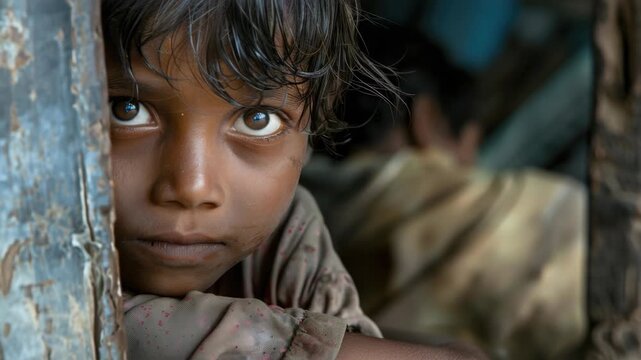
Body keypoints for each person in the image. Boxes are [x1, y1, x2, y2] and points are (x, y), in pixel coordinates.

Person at [101, 0, 486, 359]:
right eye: (126, 110)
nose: (193, 187)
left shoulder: (289, 235)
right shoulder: (50, 279)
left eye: (257, 119)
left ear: (313, 127)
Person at [302, 22, 586, 359]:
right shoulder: (547, 217)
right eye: (469, 151)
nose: (472, 171)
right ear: (428, 121)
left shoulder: (273, 227)